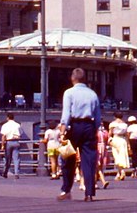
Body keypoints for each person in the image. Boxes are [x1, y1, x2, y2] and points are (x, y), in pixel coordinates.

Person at [58, 67, 102, 202]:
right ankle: (89, 193)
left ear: (72, 78)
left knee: (68, 158)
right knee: (89, 160)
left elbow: (66, 113)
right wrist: (95, 128)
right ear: (85, 79)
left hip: (74, 126)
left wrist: (62, 130)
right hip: (89, 126)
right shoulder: (93, 94)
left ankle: (66, 190)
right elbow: (98, 115)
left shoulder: (69, 93)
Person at [0, 113, 23, 179]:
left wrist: (2, 145)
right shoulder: (17, 125)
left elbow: (3, 136)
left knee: (7, 158)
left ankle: (5, 172)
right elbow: (21, 134)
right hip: (16, 142)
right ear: (13, 117)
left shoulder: (5, 125)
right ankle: (16, 173)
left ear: (7, 118)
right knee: (16, 159)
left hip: (8, 142)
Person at [108, 112, 130, 180]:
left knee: (116, 156)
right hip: (123, 140)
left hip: (116, 139)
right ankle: (119, 173)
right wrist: (128, 143)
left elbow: (110, 133)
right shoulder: (125, 125)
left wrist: (109, 140)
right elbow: (127, 135)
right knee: (122, 156)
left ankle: (121, 172)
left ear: (115, 116)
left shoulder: (113, 124)